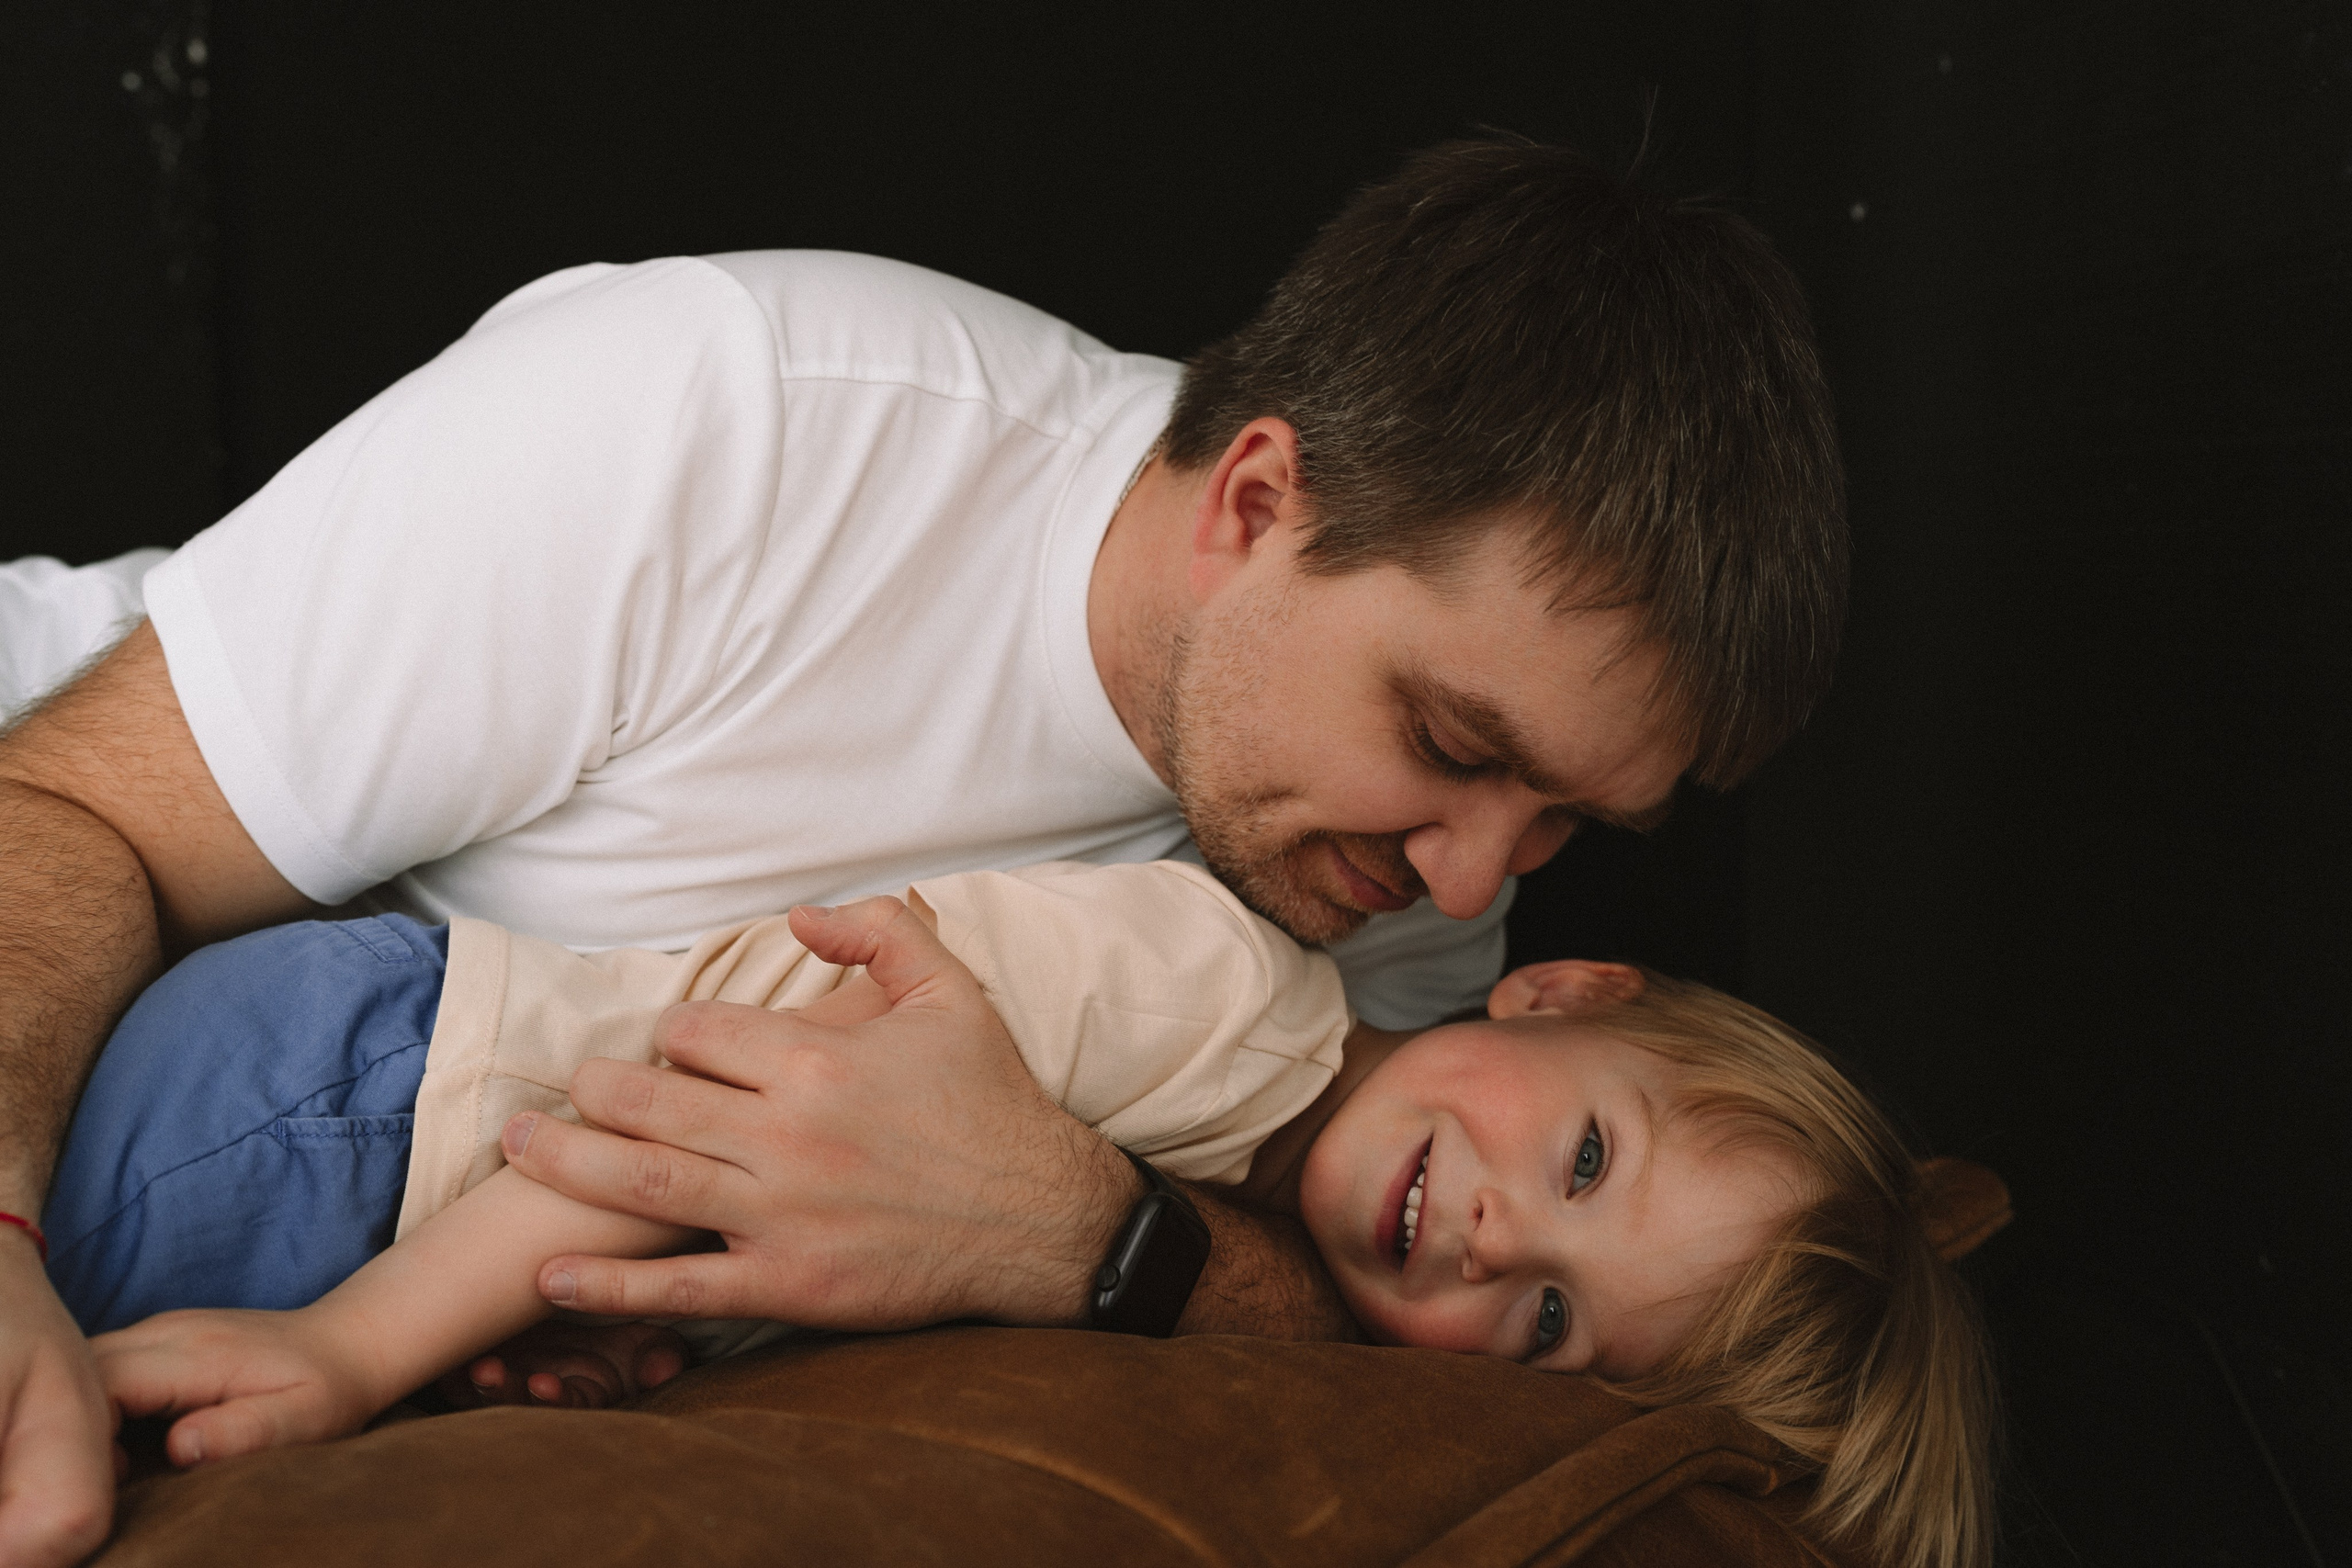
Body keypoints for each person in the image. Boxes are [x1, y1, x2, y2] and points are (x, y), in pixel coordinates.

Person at [0, 136, 1846, 1567]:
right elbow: (71, 812)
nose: (1466, 882)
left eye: (1558, 822)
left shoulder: (1420, 934)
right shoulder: (734, 417)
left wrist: (1086, 1235)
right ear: (1257, 502)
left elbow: (1283, 1287)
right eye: (1449, 745)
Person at [59, 866, 1988, 1568]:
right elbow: (710, 1097)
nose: (1494, 1239)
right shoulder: (1214, 1000)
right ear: (1559, 991)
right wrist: (355, 1342)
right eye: (1579, 1158)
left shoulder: (1213, 1290)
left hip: (395, 1176)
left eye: (1552, 1321)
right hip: (345, 1111)